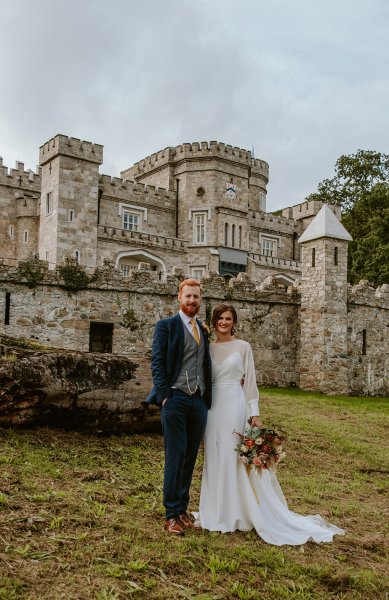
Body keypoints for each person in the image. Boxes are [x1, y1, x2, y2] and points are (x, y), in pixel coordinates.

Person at [195, 304, 344, 545]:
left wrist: (254, 413)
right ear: (214, 322)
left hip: (235, 404)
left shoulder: (243, 347)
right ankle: (215, 511)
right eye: (220, 318)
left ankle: (239, 512)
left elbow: (250, 382)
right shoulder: (207, 349)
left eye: (228, 318)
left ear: (234, 322)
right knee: (214, 456)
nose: (224, 322)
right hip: (212, 409)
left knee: (235, 457)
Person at [146, 279, 212, 535]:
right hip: (175, 398)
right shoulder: (167, 326)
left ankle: (183, 509)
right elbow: (157, 362)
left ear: (200, 300)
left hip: (199, 401)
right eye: (188, 296)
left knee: (190, 457)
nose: (192, 301)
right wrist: (164, 396)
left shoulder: (202, 329)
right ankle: (171, 514)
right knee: (175, 456)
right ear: (179, 298)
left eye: (196, 297)